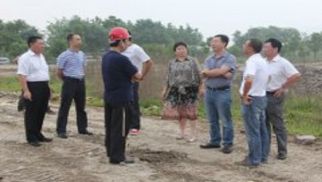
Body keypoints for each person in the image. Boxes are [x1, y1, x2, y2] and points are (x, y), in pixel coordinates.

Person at [102, 27, 142, 164]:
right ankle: (118, 157)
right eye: (126, 40)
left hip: (109, 97)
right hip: (122, 99)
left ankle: (111, 151)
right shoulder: (122, 59)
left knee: (111, 126)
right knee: (121, 129)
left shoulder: (106, 57)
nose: (127, 44)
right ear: (121, 42)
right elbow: (137, 75)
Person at [263, 38, 301, 160]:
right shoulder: (263, 62)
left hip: (274, 96)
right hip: (262, 95)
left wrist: (283, 87)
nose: (264, 49)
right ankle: (265, 149)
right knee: (264, 124)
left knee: (277, 124)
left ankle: (282, 150)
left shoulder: (282, 62)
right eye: (264, 47)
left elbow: (296, 75)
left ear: (275, 49)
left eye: (267, 47)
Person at [200, 34, 237, 154]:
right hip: (209, 91)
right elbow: (205, 74)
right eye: (212, 41)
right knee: (212, 119)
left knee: (225, 119)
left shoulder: (230, 58)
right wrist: (219, 72)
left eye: (215, 41)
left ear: (224, 43)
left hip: (223, 92)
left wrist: (213, 72)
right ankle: (215, 141)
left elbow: (220, 72)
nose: (212, 44)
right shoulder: (209, 58)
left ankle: (228, 143)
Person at [161, 42, 202, 142]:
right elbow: (168, 77)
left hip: (191, 89)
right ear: (175, 51)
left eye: (183, 48)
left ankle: (193, 134)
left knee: (191, 112)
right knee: (181, 112)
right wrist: (164, 90)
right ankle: (182, 133)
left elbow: (200, 74)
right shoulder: (172, 62)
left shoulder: (193, 61)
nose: (181, 51)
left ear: (187, 50)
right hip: (176, 89)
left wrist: (202, 87)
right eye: (178, 49)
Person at [238, 39, 269, 167]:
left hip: (252, 99)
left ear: (250, 48)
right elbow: (268, 78)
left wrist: (245, 95)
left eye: (245, 44)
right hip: (261, 97)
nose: (243, 46)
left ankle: (253, 159)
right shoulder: (262, 60)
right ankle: (262, 156)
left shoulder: (252, 61)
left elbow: (249, 80)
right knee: (262, 129)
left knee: (252, 131)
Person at [17, 36, 52, 147]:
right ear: (32, 44)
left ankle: (38, 133)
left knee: (41, 111)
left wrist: (48, 87)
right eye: (40, 43)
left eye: (43, 43)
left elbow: (43, 73)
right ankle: (31, 137)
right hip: (32, 86)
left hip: (43, 85)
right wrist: (26, 90)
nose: (43, 46)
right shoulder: (25, 57)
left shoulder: (41, 56)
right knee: (32, 112)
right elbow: (22, 75)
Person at [56, 33, 92, 139]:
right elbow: (59, 72)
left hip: (80, 81)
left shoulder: (82, 54)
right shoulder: (64, 55)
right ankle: (61, 130)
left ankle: (82, 128)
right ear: (71, 41)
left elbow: (82, 67)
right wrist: (67, 80)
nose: (80, 41)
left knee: (81, 106)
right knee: (65, 106)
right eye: (77, 39)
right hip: (69, 81)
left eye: (80, 39)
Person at [122, 31, 153, 135]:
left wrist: (142, 75)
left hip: (132, 80)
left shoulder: (136, 49)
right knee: (122, 103)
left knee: (133, 102)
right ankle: (125, 124)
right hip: (120, 80)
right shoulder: (119, 49)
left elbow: (148, 61)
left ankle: (135, 125)